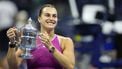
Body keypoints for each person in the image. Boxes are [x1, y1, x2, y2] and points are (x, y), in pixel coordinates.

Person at [6, 4, 75, 69]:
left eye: (54, 16)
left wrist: (51, 47)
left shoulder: (66, 41)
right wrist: (12, 44)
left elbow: (70, 66)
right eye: (47, 15)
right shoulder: (30, 40)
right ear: (39, 19)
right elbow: (13, 66)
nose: (51, 18)